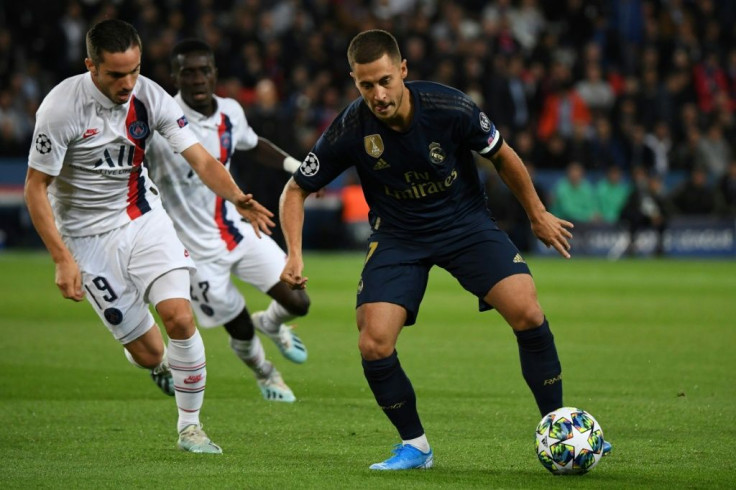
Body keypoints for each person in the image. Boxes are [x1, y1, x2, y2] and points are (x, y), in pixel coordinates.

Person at [279, 29, 611, 470]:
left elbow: (503, 155)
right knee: (374, 343)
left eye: (384, 81)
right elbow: (295, 190)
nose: (377, 94)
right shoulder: (350, 128)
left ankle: (562, 426)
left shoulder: (449, 107)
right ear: (354, 82)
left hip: (464, 224)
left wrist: (536, 213)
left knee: (528, 312)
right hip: (398, 236)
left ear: (403, 70)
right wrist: (294, 254)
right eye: (365, 85)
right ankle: (415, 447)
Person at [24, 19, 273, 454]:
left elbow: (200, 157)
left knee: (179, 316)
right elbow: (34, 187)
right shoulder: (60, 109)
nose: (127, 83)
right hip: (85, 239)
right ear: (91, 67)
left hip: (142, 218)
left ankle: (190, 429)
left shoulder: (150, 96)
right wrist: (62, 258)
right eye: (116, 74)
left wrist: (236, 197)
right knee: (150, 353)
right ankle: (156, 365)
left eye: (134, 71)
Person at [146, 39, 309, 403]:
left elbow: (253, 144)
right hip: (192, 252)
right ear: (175, 76)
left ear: (215, 73)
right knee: (238, 326)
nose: (198, 78)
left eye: (204, 70)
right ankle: (265, 373)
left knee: (298, 300)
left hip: (236, 229)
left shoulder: (231, 111)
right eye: (188, 72)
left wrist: (297, 169)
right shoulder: (159, 118)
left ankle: (271, 322)